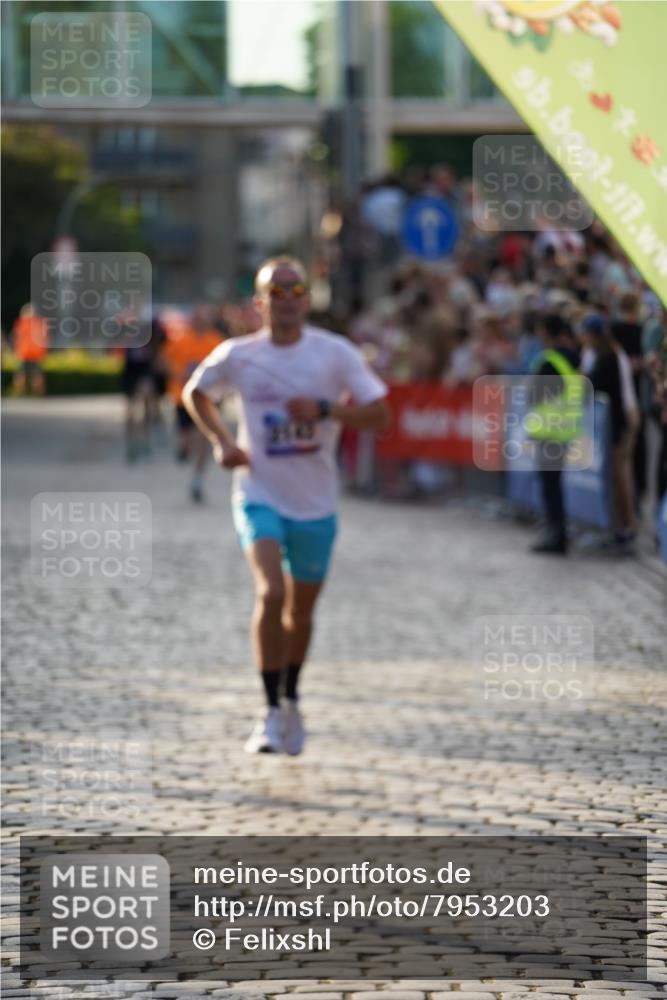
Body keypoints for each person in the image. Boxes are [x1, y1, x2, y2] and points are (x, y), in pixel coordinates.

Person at [183, 256, 390, 754]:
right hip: (260, 493)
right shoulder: (239, 355)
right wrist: (221, 442)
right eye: (277, 291)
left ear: (308, 300)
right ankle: (270, 710)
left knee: (302, 611)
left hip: (316, 502)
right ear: (260, 303)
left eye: (297, 291)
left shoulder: (335, 354)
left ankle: (292, 694)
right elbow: (196, 392)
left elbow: (380, 417)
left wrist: (326, 409)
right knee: (271, 592)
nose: (288, 299)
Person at [526, 314, 584, 555]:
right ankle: (557, 534)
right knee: (554, 486)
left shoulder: (548, 360)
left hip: (549, 431)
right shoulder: (574, 358)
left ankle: (556, 537)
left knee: (550, 488)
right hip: (566, 429)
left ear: (547, 333)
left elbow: (537, 396)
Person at [162, 306, 223, 502]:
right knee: (186, 438)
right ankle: (183, 447)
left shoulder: (216, 341)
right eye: (195, 318)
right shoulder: (180, 339)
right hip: (181, 398)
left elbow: (225, 369)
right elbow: (162, 360)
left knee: (203, 440)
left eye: (201, 318)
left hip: (207, 399)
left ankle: (197, 480)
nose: (198, 322)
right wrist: (176, 373)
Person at [12, 303, 48, 396]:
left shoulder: (22, 323)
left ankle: (20, 393)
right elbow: (44, 338)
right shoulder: (40, 323)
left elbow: (17, 338)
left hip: (24, 352)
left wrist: (17, 351)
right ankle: (38, 394)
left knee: (21, 374)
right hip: (37, 353)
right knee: (36, 375)